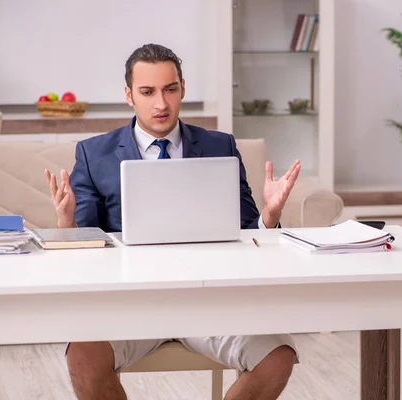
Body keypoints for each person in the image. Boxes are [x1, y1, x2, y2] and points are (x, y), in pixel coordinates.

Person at [44, 43, 300, 400]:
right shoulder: (93, 153)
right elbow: (87, 251)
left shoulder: (220, 146)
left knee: (278, 356)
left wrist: (269, 217)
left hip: (210, 303)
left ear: (183, 88)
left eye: (170, 89)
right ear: (129, 95)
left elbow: (250, 237)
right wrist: (66, 222)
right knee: (82, 356)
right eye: (147, 92)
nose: (161, 104)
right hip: (131, 306)